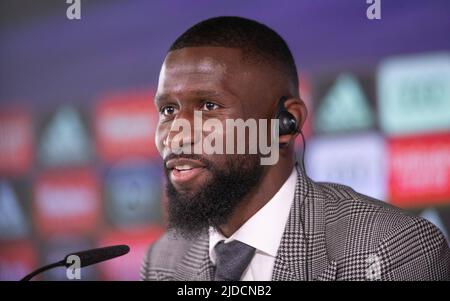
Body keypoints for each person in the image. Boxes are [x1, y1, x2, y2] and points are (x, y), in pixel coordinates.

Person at [141, 16, 450, 281]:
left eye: (208, 106)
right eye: (168, 110)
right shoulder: (163, 261)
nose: (176, 137)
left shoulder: (391, 248)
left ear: (284, 123)